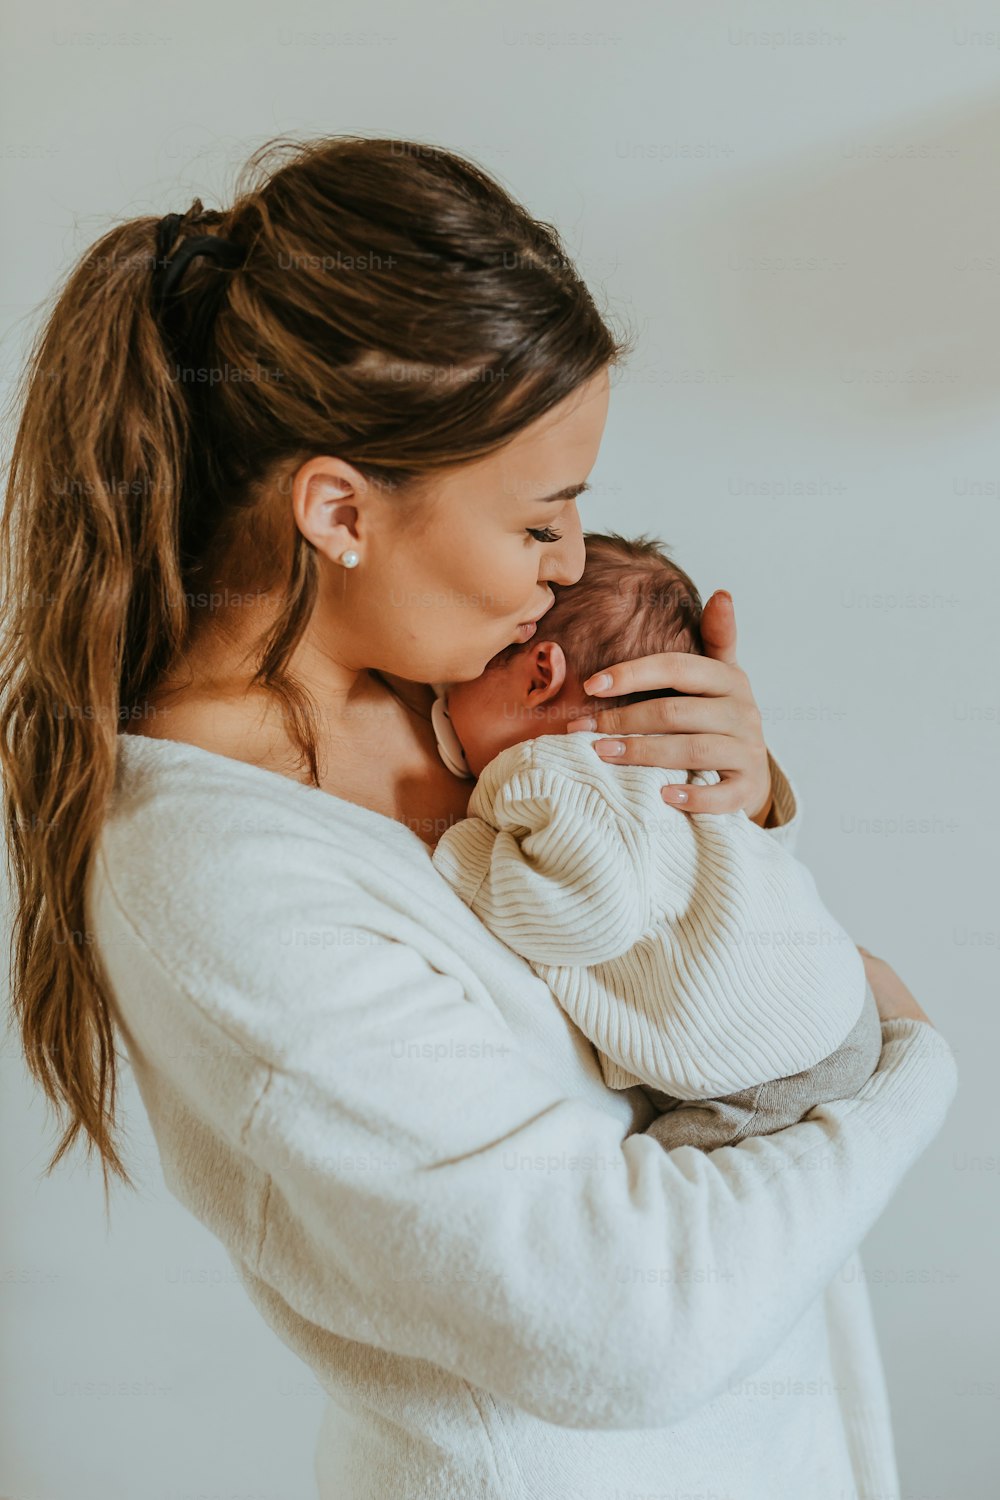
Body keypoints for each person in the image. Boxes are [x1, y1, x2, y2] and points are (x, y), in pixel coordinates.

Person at [0, 135, 957, 1500]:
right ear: (337, 509)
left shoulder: (442, 687)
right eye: (541, 519)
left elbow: (661, 1022)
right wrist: (906, 1068)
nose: (574, 565)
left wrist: (729, 818)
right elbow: (631, 1323)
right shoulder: (219, 882)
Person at [430, 529, 882, 1150]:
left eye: (459, 682)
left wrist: (462, 850)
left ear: (541, 676)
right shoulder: (665, 756)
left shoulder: (547, 771)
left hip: (762, 1071)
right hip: (827, 1011)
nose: (443, 702)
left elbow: (588, 914)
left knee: (687, 1208)